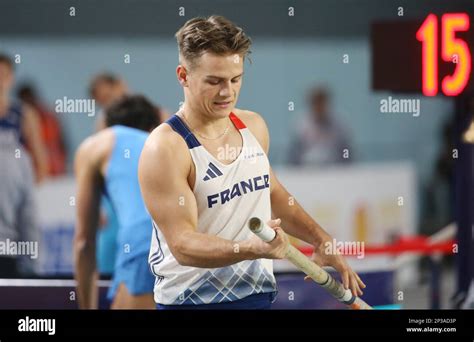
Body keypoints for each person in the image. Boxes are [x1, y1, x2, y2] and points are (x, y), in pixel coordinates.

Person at [139, 15, 365, 309]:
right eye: (214, 81)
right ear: (183, 75)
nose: (227, 92)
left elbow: (273, 194)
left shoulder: (253, 126)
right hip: (193, 302)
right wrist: (250, 248)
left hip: (257, 295)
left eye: (235, 79)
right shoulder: (166, 147)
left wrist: (320, 239)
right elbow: (182, 245)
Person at [74, 95, 161, 309]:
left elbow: (84, 242)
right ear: (153, 127)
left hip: (144, 248)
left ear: (105, 127)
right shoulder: (168, 143)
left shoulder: (98, 144)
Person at [0, 54, 48, 183]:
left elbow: (40, 157)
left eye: (3, 76)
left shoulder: (25, 114)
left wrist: (36, 186)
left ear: (11, 78)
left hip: (15, 185)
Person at [289, 86, 351, 166]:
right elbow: (293, 155)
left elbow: (347, 153)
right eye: (316, 102)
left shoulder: (339, 125)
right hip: (307, 172)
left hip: (334, 171)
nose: (319, 106)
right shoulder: (300, 125)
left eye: (321, 103)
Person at [17, 83, 67, 176]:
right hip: (34, 170)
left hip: (54, 169)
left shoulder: (49, 116)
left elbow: (62, 142)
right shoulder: (19, 119)